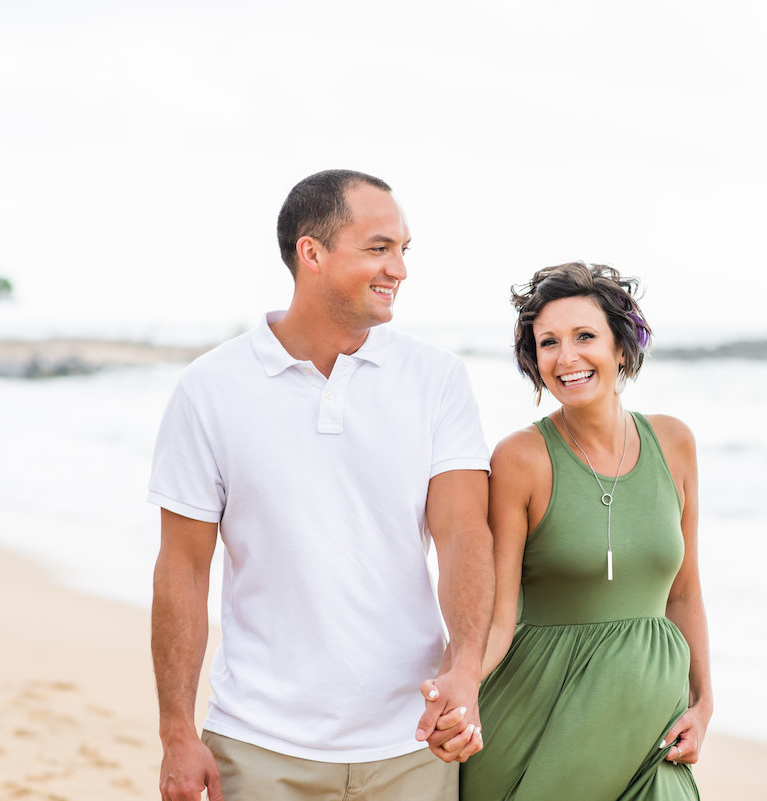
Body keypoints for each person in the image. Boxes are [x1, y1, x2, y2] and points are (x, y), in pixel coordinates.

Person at [148, 169, 494, 801]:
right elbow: (183, 567)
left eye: (403, 250)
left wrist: (466, 669)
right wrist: (177, 730)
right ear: (311, 253)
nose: (399, 269)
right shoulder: (210, 388)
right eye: (378, 248)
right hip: (258, 744)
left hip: (413, 744)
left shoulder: (437, 380)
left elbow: (464, 534)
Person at [459, 261, 713, 801]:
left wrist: (704, 702)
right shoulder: (521, 457)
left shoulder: (675, 443)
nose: (566, 357)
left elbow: (684, 592)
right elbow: (500, 617)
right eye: (548, 342)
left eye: (584, 336)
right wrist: (457, 690)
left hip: (651, 727)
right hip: (537, 723)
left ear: (622, 347)